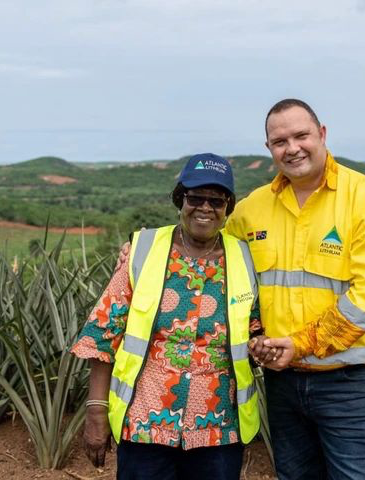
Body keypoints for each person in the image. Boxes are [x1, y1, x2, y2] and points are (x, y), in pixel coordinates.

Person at [226, 99, 365, 480]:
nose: (292, 148)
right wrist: (149, 248)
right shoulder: (252, 209)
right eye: (279, 141)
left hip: (349, 383)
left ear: (322, 134)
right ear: (269, 149)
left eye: (301, 135)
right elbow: (211, 258)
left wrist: (302, 343)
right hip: (282, 382)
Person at [71, 153, 261, 480]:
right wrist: (96, 409)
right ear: (179, 200)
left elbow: (255, 329)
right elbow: (103, 335)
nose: (205, 207)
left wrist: (262, 346)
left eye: (215, 200)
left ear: (228, 207)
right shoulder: (143, 251)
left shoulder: (244, 258)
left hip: (218, 427)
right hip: (145, 423)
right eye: (195, 197)